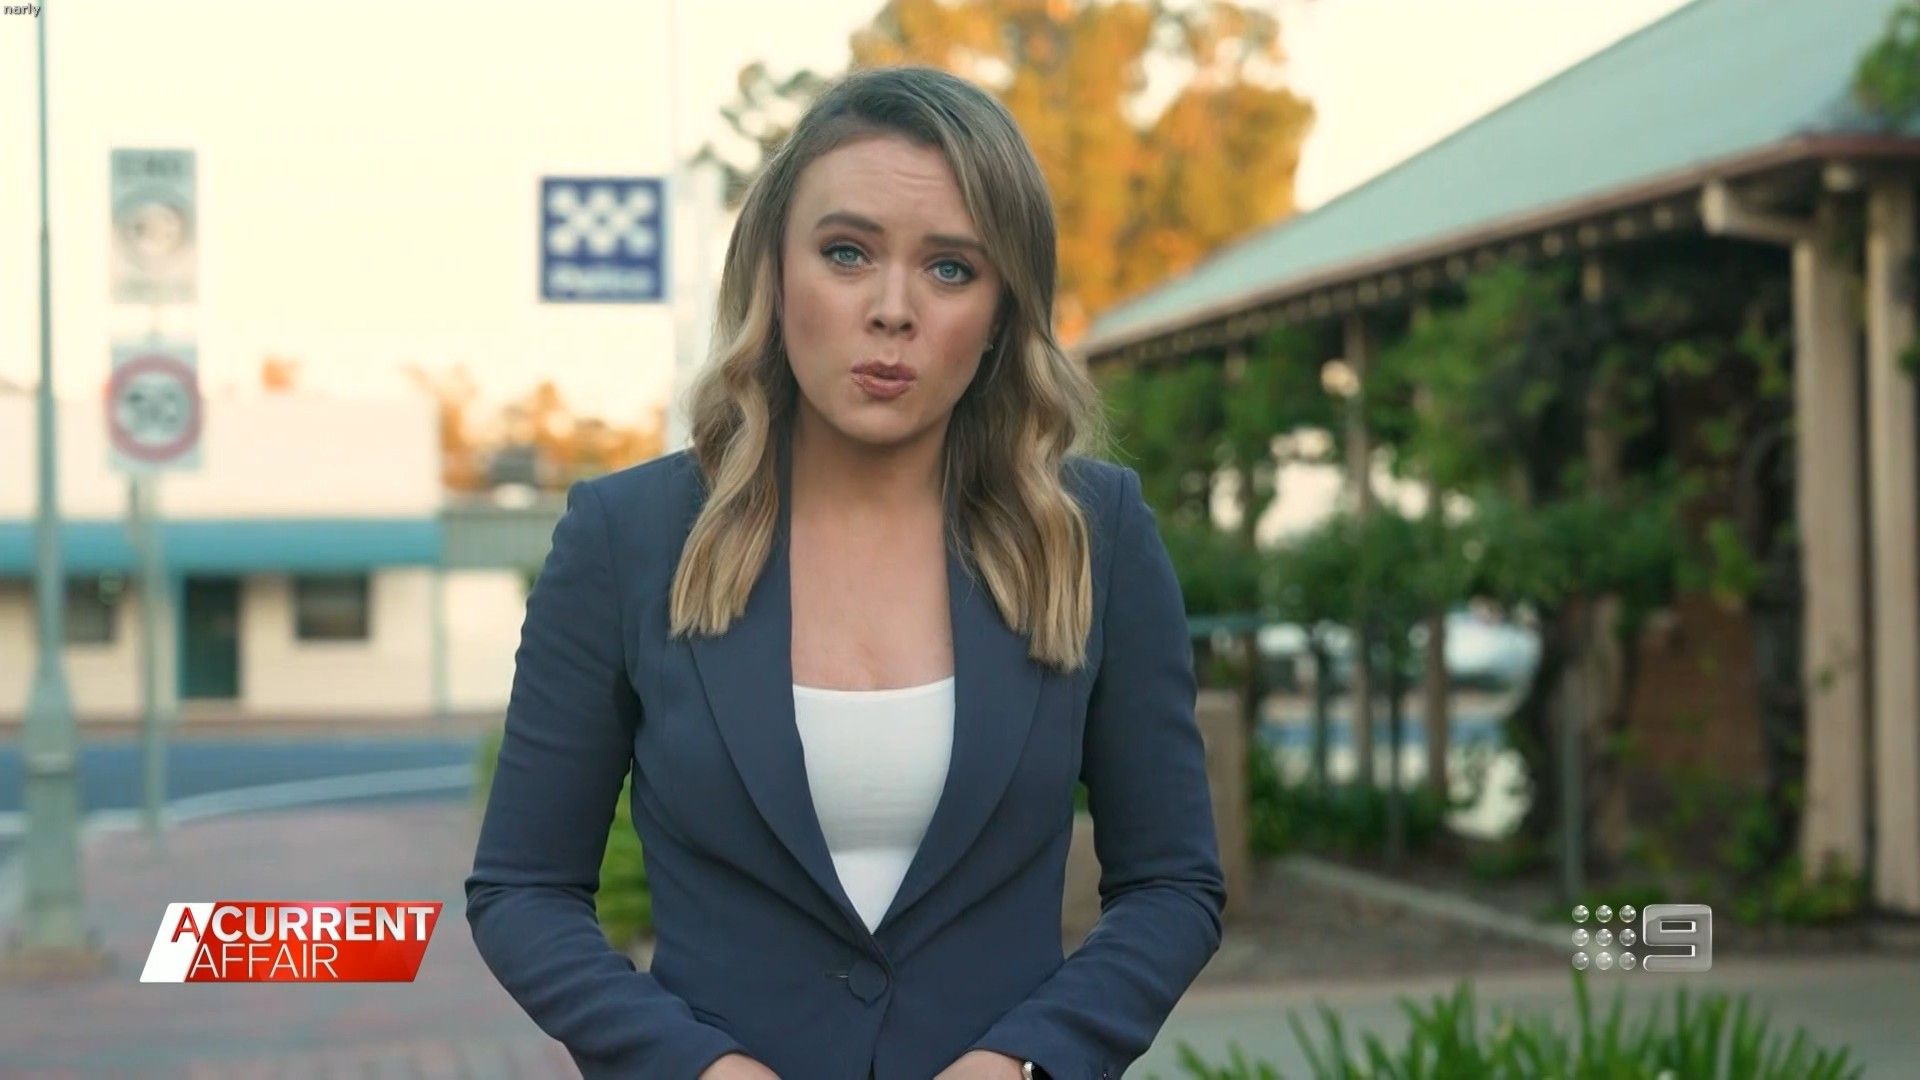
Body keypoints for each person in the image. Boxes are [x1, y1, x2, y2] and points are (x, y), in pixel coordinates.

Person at [465, 65, 1225, 1080]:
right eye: (846, 253)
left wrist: (1025, 1063)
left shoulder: (1095, 533)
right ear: (775, 275)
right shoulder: (626, 537)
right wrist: (695, 1068)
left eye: (951, 268)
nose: (892, 309)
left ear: (1002, 311)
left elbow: (1173, 884)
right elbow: (522, 890)